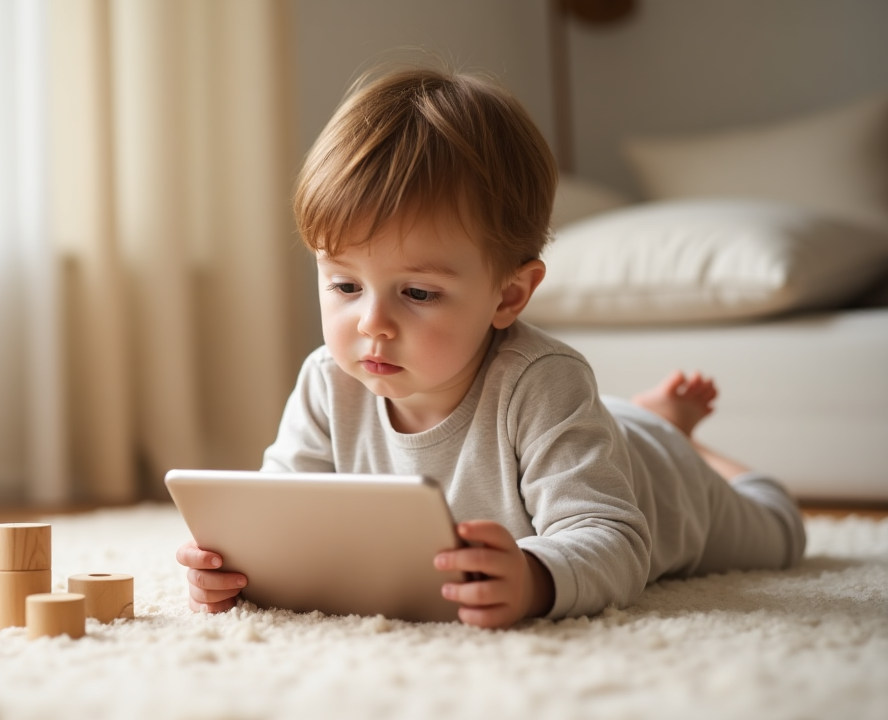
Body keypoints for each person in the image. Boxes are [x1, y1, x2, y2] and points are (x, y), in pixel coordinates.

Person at [175, 67, 806, 629]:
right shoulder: (327, 381)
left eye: (418, 293)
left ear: (508, 296)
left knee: (781, 528)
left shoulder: (543, 382)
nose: (373, 323)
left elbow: (609, 536)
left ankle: (678, 435)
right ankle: (646, 418)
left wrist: (535, 579)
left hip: (663, 480)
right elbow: (284, 511)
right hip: (598, 434)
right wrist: (233, 564)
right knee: (610, 431)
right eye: (344, 284)